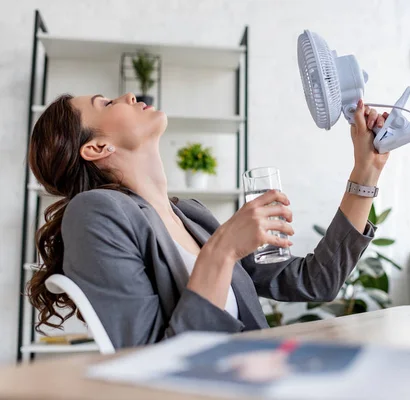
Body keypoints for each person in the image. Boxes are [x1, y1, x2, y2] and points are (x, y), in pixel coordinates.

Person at [27, 92, 390, 348]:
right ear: (96, 148)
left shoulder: (191, 215)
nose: (126, 96)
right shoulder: (94, 212)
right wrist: (224, 248)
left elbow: (315, 282)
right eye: (105, 104)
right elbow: (145, 363)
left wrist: (366, 168)